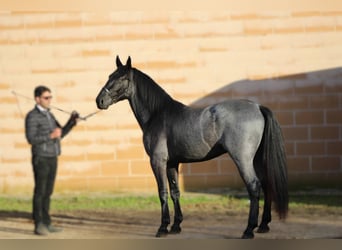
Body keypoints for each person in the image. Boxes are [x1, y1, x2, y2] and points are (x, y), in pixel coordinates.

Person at [25, 85, 79, 236]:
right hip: (41, 158)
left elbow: (60, 133)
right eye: (46, 97)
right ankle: (39, 224)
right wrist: (50, 136)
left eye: (50, 97)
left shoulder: (49, 114)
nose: (49, 100)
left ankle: (47, 222)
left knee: (48, 192)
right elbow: (31, 138)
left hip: (52, 157)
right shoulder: (32, 116)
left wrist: (72, 121)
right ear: (37, 99)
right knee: (40, 192)